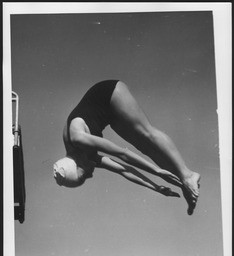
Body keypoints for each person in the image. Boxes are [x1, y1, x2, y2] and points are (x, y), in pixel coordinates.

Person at [53, 80, 200, 215]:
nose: (90, 176)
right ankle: (183, 183)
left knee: (146, 134)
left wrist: (158, 171)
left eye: (84, 175)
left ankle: (187, 175)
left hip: (107, 94)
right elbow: (124, 170)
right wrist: (156, 187)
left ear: (77, 162)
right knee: (145, 148)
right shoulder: (85, 158)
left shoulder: (79, 138)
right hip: (107, 115)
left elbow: (122, 153)